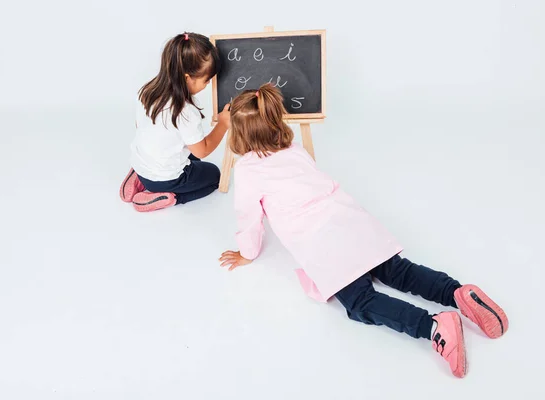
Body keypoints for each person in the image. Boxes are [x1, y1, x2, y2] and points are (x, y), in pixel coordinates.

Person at [219, 84, 508, 378]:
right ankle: (456, 293)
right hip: (350, 220)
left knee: (359, 302)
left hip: (321, 242)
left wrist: (247, 253)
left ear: (240, 134)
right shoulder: (295, 149)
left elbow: (248, 217)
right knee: (399, 272)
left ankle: (433, 326)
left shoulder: (247, 170)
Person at [119, 32, 230, 212]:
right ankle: (168, 198)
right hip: (166, 179)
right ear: (187, 78)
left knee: (193, 157)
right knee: (214, 176)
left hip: (142, 163)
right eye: (206, 79)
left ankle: (138, 177)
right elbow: (204, 149)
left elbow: (140, 126)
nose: (209, 84)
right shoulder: (185, 112)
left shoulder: (147, 90)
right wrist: (223, 124)